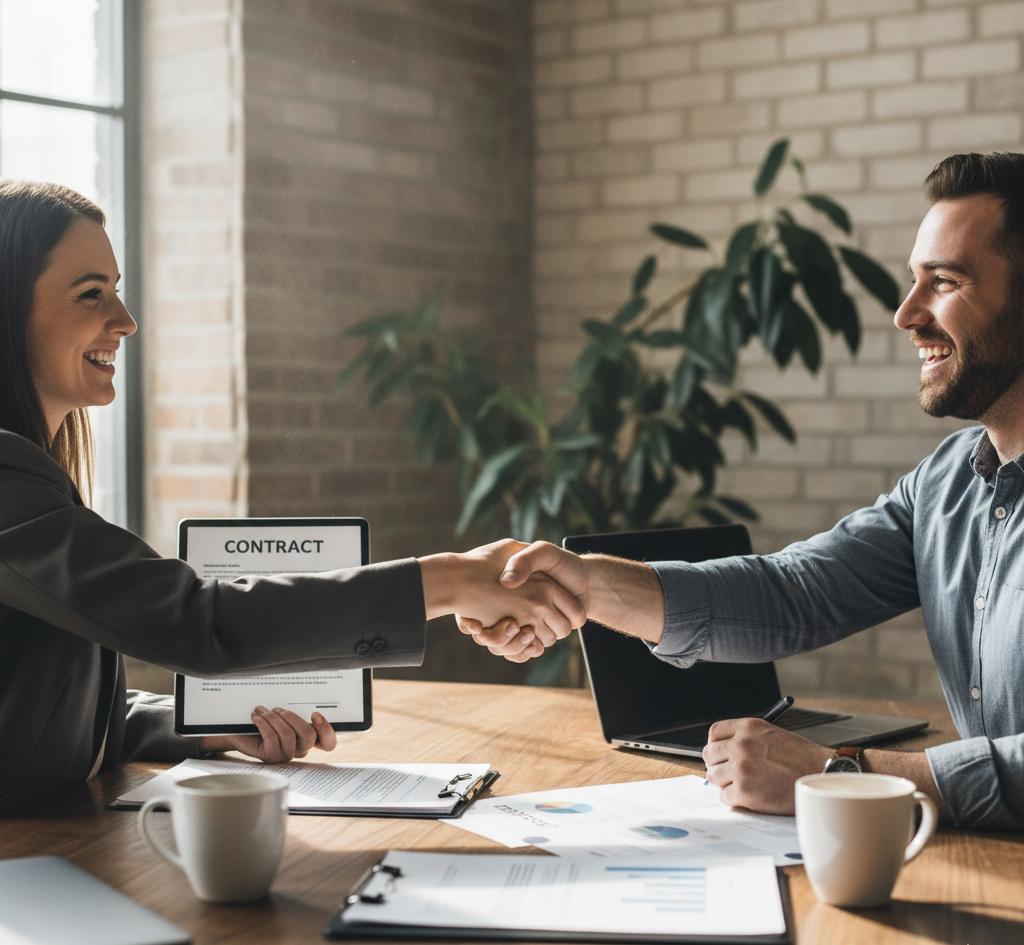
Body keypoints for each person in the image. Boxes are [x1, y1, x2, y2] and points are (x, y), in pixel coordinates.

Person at [462, 151, 1024, 831]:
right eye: (913, 281)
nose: (907, 313)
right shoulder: (945, 484)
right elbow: (792, 592)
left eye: (945, 281)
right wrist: (584, 584)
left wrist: (841, 777)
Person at [0, 179, 583, 810]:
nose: (125, 321)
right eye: (92, 294)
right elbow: (198, 619)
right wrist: (451, 579)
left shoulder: (31, 475)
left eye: (118, 289)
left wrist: (203, 727)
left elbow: (35, 695)